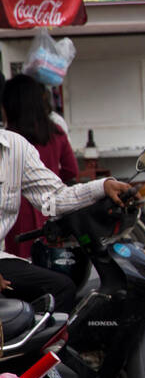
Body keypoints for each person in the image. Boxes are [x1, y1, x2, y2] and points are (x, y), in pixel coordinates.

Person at [0, 82, 131, 312]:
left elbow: (55, 197)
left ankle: (47, 348)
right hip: (23, 230)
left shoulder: (15, 147)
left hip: (28, 229)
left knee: (59, 287)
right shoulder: (55, 133)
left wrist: (104, 186)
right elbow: (70, 170)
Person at [2, 75, 79, 260]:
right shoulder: (56, 133)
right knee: (51, 262)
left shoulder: (9, 139)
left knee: (20, 269)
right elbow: (71, 170)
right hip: (50, 208)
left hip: (18, 213)